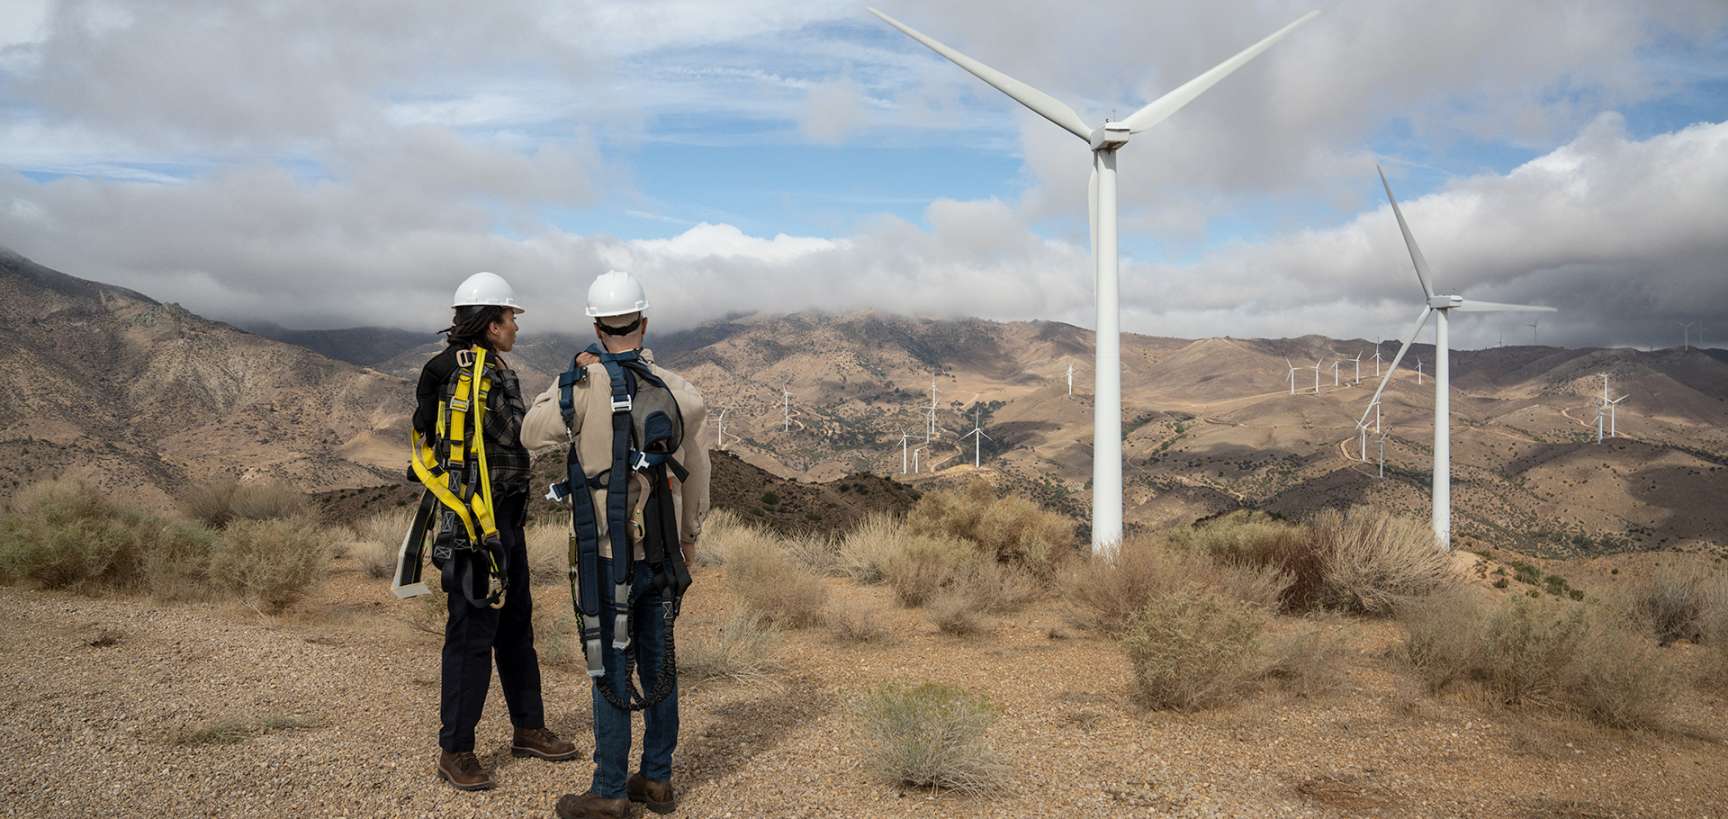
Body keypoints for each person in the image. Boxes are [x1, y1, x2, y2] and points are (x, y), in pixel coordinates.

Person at [521, 270, 710, 819]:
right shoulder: (680, 392)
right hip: (663, 552)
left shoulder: (581, 388)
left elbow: (531, 432)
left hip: (606, 554)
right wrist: (689, 537)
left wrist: (571, 374)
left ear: (598, 327)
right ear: (644, 323)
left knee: (609, 668)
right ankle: (657, 780)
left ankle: (607, 790)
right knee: (659, 667)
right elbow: (698, 470)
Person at [415, 271, 580, 792]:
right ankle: (456, 750)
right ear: (490, 323)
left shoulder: (463, 368)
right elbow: (518, 433)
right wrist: (566, 390)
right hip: (477, 524)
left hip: (496, 519)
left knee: (514, 624)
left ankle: (528, 728)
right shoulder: (478, 374)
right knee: (472, 634)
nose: (515, 327)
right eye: (510, 318)